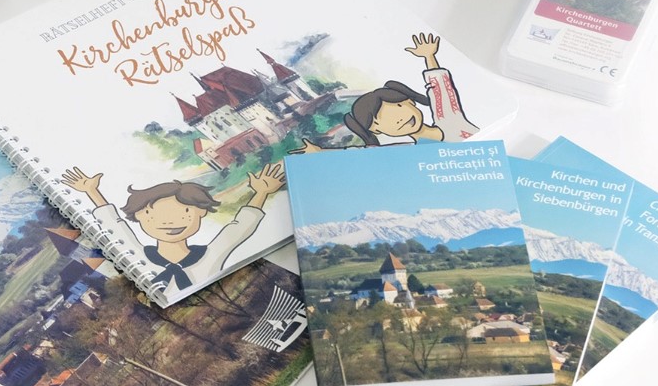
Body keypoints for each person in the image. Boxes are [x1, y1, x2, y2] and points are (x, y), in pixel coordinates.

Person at [59, 163, 285, 295]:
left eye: (184, 212)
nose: (169, 222)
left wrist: (261, 193)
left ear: (201, 211)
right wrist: (92, 192)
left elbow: (237, 230)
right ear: (139, 216)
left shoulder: (209, 255)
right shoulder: (140, 258)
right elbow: (116, 229)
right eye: (154, 215)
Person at [296, 32, 478, 152]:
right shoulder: (407, 151)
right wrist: (320, 152)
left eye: (399, 106)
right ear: (375, 129)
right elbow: (363, 153)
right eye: (378, 120)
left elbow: (442, 93)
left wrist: (429, 57)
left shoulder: (450, 121)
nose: (398, 119)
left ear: (410, 102)